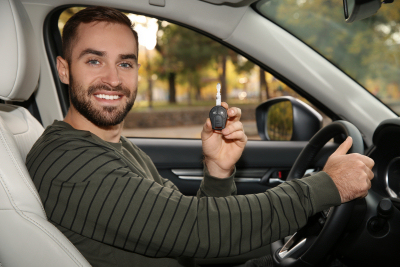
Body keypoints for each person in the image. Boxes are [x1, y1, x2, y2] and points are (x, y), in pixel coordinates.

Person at [26, 6, 374, 267]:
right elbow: (197, 228)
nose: (114, 79)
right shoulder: (67, 161)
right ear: (63, 69)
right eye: (94, 61)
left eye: (126, 63)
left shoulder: (116, 146)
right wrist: (327, 186)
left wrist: (218, 171)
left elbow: (186, 238)